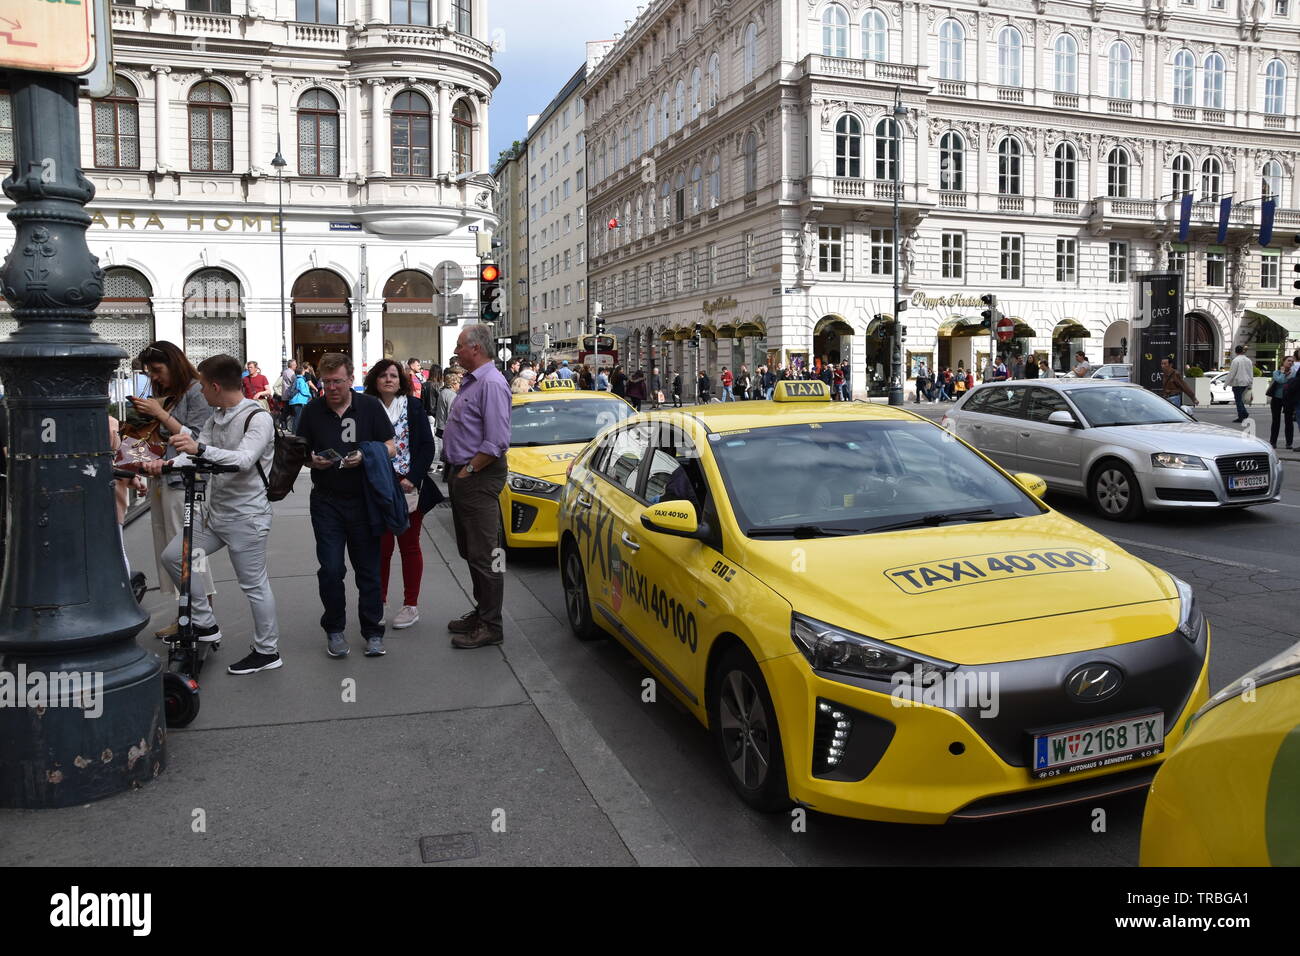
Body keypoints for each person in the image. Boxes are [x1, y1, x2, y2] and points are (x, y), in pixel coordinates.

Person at [141, 355, 281, 674]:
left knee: (254, 585)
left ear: (216, 386)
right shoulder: (216, 416)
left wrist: (198, 451)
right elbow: (193, 455)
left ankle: (268, 650)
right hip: (214, 514)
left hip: (247, 517)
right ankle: (205, 623)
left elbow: (243, 460)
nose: (200, 391)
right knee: (174, 556)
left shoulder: (257, 418)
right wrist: (165, 465)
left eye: (203, 385)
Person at [296, 352, 397, 659]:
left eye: (337, 381)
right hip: (326, 500)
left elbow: (392, 446)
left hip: (363, 500)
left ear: (351, 380)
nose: (331, 388)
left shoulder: (368, 407)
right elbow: (300, 450)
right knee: (330, 569)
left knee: (367, 569)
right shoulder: (313, 410)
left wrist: (366, 455)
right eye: (326, 382)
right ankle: (335, 628)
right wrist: (310, 460)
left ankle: (372, 631)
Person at [131, 341, 217, 636]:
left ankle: (202, 618)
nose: (154, 377)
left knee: (187, 551)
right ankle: (187, 616)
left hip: (186, 482)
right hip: (164, 478)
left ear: (174, 364)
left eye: (157, 370)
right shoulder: (168, 392)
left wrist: (161, 413)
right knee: (169, 548)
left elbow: (198, 439)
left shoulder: (196, 391)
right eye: (149, 372)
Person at [441, 324, 512, 649]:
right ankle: (483, 612)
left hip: (479, 476)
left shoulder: (492, 383)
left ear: (475, 348)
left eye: (459, 346)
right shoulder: (474, 381)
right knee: (471, 551)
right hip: (465, 475)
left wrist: (469, 470)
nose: (456, 352)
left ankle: (491, 625)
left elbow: (496, 441)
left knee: (484, 554)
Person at [365, 359, 442, 630]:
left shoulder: (413, 406)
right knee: (381, 549)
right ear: (375, 379)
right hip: (377, 486)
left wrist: (413, 478)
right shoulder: (366, 408)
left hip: (408, 485)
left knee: (409, 547)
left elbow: (426, 446)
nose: (389, 379)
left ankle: (411, 605)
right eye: (383, 375)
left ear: (401, 380)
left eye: (394, 375)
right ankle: (379, 602)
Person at [1268, 356, 1295, 450]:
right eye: (1288, 361)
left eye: (1292, 361)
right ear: (1283, 362)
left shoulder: (1294, 373)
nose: (1290, 362)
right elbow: (1280, 380)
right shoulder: (1276, 372)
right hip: (1276, 399)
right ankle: (1273, 442)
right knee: (1276, 421)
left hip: (1288, 399)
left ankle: (1289, 443)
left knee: (1289, 421)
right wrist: (1283, 373)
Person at [1227, 344, 1254, 423]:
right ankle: (1243, 413)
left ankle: (1242, 415)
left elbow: (1232, 373)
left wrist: (1226, 384)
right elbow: (1250, 373)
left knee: (1238, 399)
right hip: (1246, 382)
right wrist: (1250, 383)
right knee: (1240, 399)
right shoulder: (1248, 360)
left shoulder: (1236, 360)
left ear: (1236, 352)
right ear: (1243, 351)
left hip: (1237, 383)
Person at [287, 361, 312, 432]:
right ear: (302, 372)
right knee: (298, 417)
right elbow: (303, 390)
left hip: (295, 400)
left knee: (296, 417)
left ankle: (294, 430)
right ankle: (296, 431)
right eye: (304, 371)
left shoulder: (297, 379)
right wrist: (309, 394)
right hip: (299, 400)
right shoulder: (301, 380)